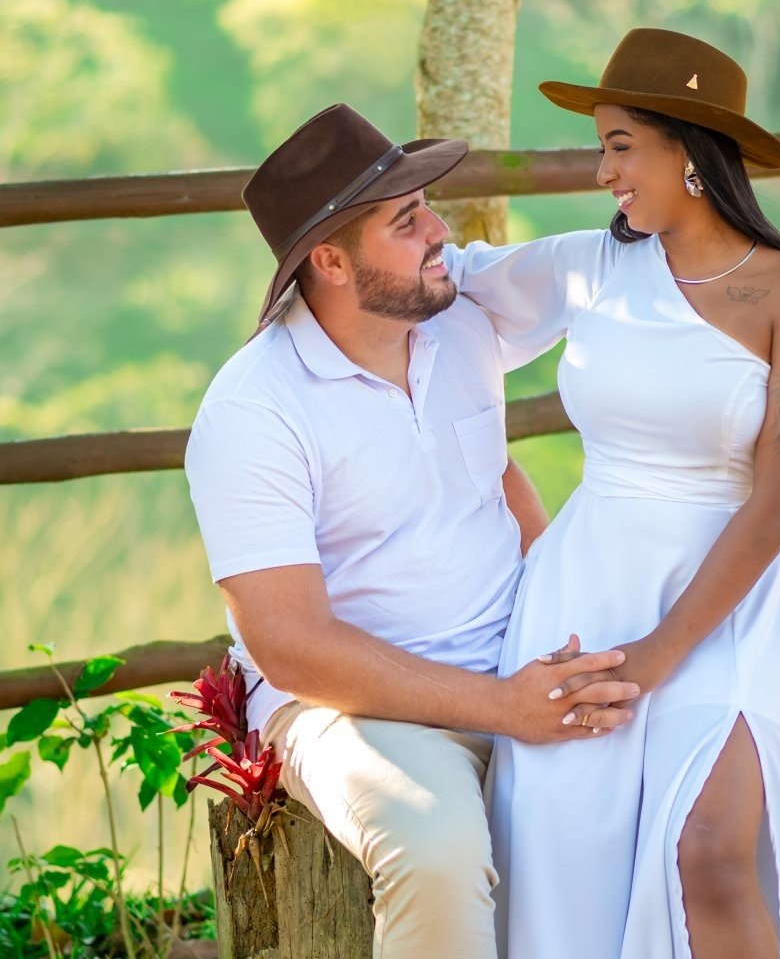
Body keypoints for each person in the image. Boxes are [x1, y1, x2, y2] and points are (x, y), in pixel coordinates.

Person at [442, 29, 780, 958]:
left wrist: (658, 654)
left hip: (726, 605)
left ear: (690, 152)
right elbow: (448, 287)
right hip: (585, 594)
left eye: (619, 146)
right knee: (578, 862)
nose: (601, 171)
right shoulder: (591, 267)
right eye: (601, 146)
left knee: (711, 852)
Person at [183, 103, 640, 959]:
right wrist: (503, 709)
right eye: (406, 220)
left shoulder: (457, 311)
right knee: (435, 849)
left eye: (427, 207)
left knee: (674, 779)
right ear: (330, 262)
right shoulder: (253, 411)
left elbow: (598, 266)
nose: (440, 232)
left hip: (516, 656)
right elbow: (290, 645)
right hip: (350, 707)